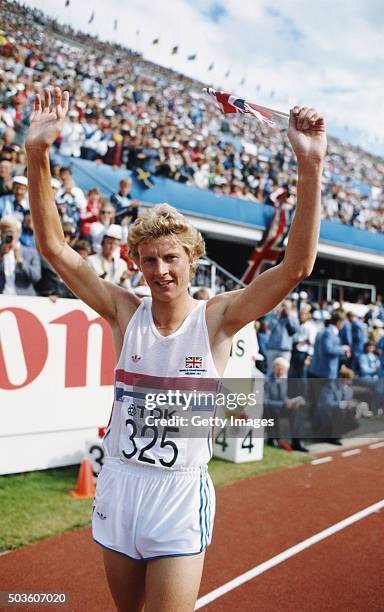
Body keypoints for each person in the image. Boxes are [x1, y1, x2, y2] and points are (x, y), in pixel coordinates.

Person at [26, 87, 326, 612]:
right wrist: (37, 154)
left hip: (178, 492)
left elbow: (297, 267)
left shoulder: (218, 318)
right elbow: (54, 248)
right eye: (147, 260)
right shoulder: (125, 310)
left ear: (191, 260)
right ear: (137, 264)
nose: (159, 271)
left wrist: (309, 166)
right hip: (120, 484)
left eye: (170, 258)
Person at [0, 215, 41, 295]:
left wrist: (21, 262)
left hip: (23, 300)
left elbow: (36, 277)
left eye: (10, 232)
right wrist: (1, 256)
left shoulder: (31, 252)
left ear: (18, 233)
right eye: (4, 232)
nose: (8, 235)